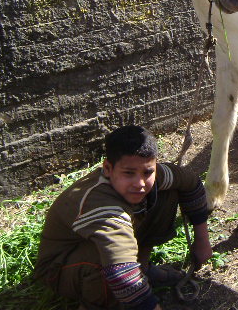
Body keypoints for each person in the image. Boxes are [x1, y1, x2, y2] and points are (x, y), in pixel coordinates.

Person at [34, 125, 213, 310]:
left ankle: (141, 269)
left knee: (164, 193)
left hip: (108, 255)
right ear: (108, 168)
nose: (140, 183)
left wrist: (202, 241)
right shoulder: (102, 205)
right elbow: (122, 273)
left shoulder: (152, 176)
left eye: (147, 172)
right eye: (128, 173)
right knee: (108, 260)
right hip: (59, 268)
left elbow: (191, 183)